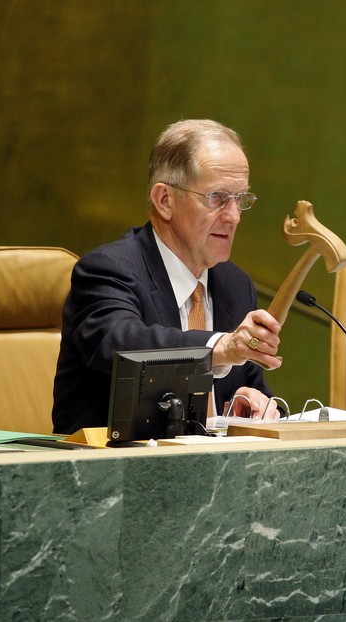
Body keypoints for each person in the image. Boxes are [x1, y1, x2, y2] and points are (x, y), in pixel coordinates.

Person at [52, 119, 282, 434]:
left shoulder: (235, 284)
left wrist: (252, 404)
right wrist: (220, 347)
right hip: (111, 472)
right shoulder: (108, 268)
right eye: (217, 198)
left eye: (241, 199)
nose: (234, 216)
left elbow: (250, 382)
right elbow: (119, 345)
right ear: (165, 200)